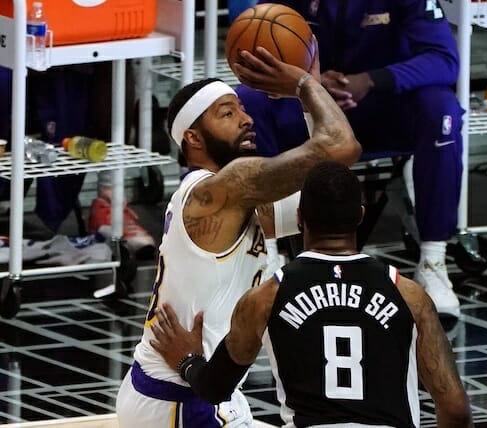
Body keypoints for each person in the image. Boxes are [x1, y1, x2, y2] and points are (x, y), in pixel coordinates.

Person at [115, 43, 361, 427]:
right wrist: (302, 84)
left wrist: (308, 96)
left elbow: (332, 184)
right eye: (227, 113)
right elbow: (340, 147)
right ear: (194, 138)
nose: (246, 119)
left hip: (201, 390)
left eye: (243, 109)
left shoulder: (232, 199)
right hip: (183, 401)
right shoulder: (217, 192)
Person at [149, 160, 474, 427]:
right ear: (360, 216)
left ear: (300, 218)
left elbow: (214, 389)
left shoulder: (265, 297)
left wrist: (188, 361)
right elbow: (456, 410)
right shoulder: (409, 294)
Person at [235, 0, 464, 317]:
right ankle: (265, 255)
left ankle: (433, 261)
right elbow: (257, 55)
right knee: (248, 100)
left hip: (383, 105)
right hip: (307, 101)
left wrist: (371, 80)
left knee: (441, 110)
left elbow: (444, 60)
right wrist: (309, 85)